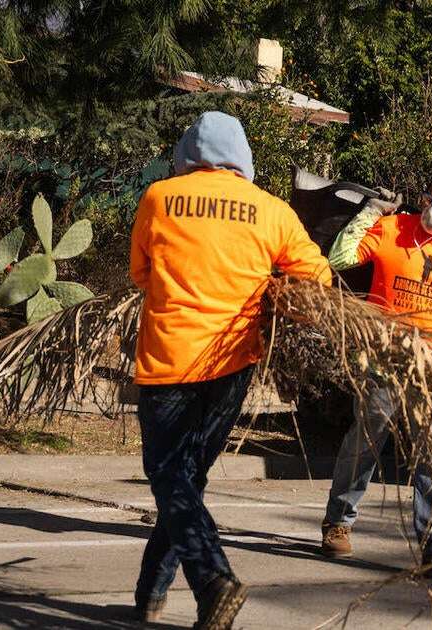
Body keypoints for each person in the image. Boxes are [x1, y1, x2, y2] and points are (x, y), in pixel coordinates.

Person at [128, 111, 331, 628]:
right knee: (185, 478)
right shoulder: (272, 210)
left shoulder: (159, 197)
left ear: (187, 154)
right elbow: (318, 279)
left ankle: (213, 580)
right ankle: (150, 594)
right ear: (242, 157)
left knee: (169, 475)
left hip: (169, 358)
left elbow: (140, 273)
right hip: (233, 364)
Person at [319, 171, 432, 573]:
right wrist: (368, 213)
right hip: (382, 361)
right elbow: (338, 258)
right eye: (428, 201)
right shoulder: (391, 228)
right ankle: (337, 523)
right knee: (365, 440)